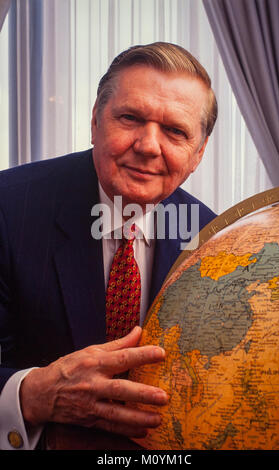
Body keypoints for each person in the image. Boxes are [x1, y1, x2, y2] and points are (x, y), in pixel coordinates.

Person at [0, 42, 217, 450]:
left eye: (175, 131)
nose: (149, 145)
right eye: (130, 118)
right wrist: (29, 396)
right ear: (95, 121)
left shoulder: (215, 240)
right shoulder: (8, 209)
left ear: (198, 153)